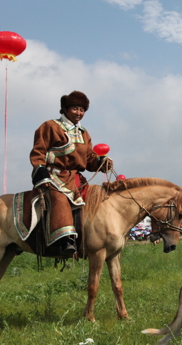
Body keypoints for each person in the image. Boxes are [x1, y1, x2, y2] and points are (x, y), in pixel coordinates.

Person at [30, 91, 113, 256]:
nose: (79, 113)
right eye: (75, 108)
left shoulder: (83, 132)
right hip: (55, 176)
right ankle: (64, 240)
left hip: (76, 178)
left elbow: (88, 158)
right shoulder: (50, 126)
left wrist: (100, 162)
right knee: (60, 199)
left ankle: (93, 238)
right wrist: (40, 171)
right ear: (65, 109)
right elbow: (39, 151)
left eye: (82, 110)